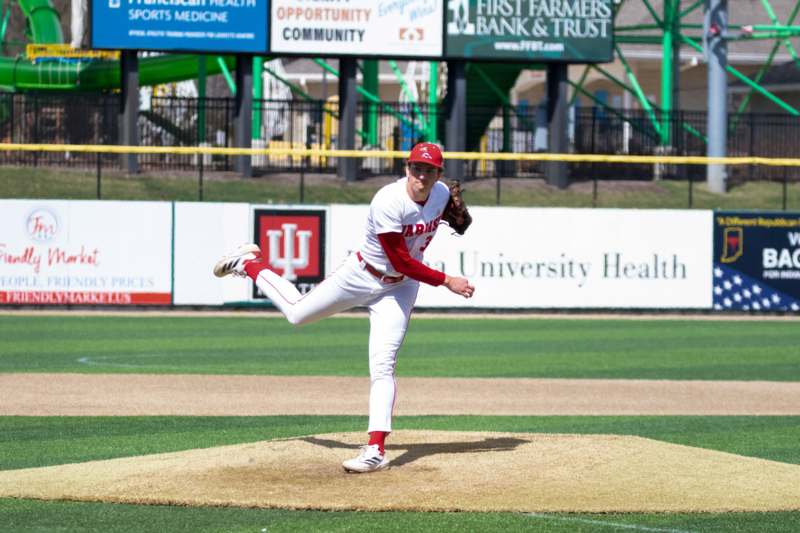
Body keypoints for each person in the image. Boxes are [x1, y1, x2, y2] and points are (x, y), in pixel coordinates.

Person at [213, 142, 475, 473]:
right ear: (406, 169)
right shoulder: (388, 201)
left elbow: (451, 226)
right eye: (415, 168)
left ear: (439, 173)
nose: (420, 175)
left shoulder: (438, 195)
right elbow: (400, 260)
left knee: (383, 366)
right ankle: (249, 263)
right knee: (296, 313)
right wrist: (446, 280)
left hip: (399, 289)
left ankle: (375, 449)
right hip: (362, 274)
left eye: (428, 170)